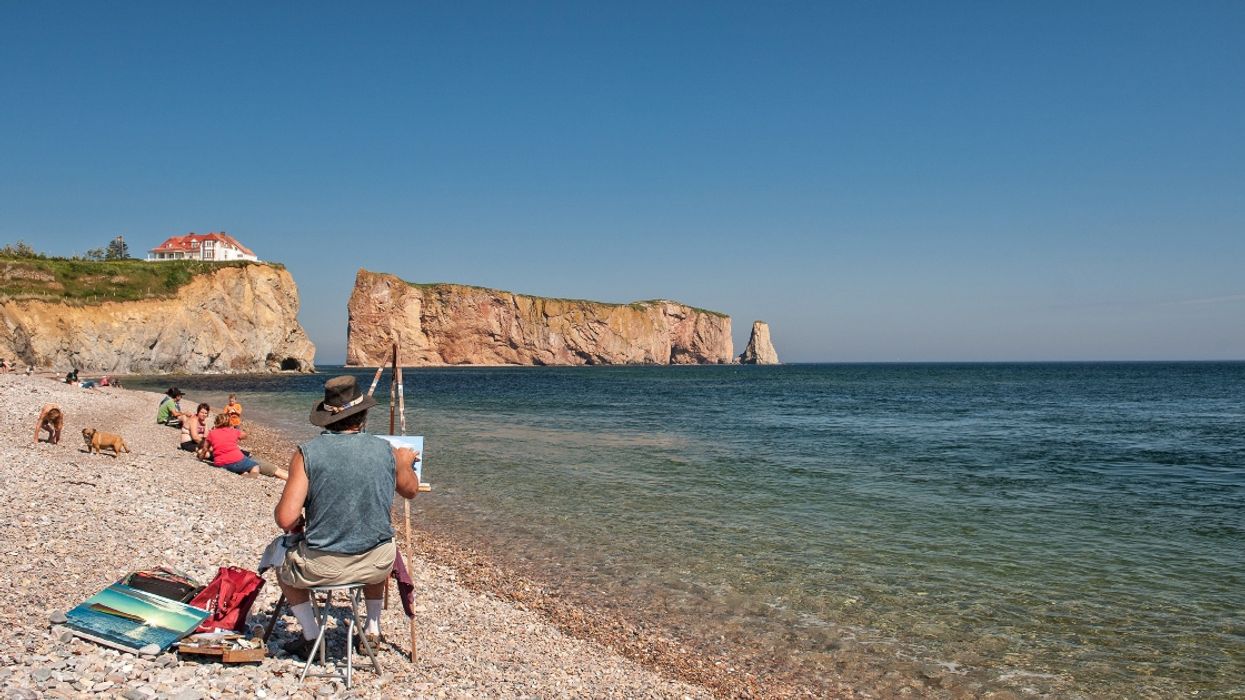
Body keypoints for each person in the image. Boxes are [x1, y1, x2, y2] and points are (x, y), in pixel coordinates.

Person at [273, 375, 420, 659]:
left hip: (322, 567)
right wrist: (403, 463)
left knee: (282, 566)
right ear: (363, 415)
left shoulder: (307, 454)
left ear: (326, 417)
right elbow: (411, 491)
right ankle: (373, 629)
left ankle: (312, 636)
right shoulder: (386, 451)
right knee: (378, 543)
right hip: (376, 565)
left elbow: (285, 518)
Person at [205, 412, 287, 479]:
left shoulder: (212, 434)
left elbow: (205, 449)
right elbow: (244, 435)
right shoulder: (232, 431)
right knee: (262, 467)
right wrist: (233, 429)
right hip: (239, 459)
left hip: (223, 463)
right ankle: (252, 476)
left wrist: (201, 456)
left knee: (277, 469)